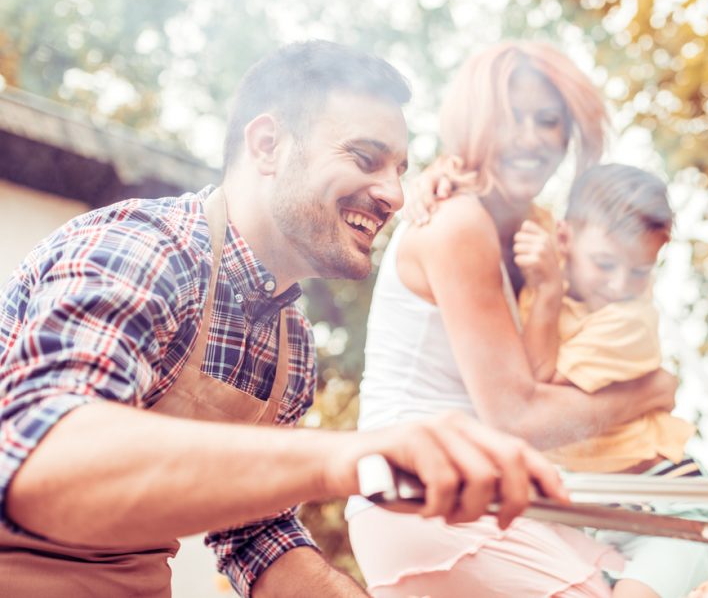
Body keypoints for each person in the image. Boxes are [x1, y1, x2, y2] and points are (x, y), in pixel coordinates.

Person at [0, 40, 568, 598]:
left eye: (400, 169)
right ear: (268, 145)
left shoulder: (290, 343)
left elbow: (256, 535)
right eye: (365, 159)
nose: (395, 194)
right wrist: (350, 453)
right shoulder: (148, 248)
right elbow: (40, 453)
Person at [346, 41, 680, 597]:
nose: (530, 138)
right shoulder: (458, 223)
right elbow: (516, 416)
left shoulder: (537, 228)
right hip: (423, 492)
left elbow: (602, 317)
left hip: (486, 488)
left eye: (548, 121)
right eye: (510, 119)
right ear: (476, 124)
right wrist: (650, 391)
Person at [512, 163, 708, 598]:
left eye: (639, 271)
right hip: (603, 523)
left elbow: (538, 398)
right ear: (564, 237)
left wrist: (549, 295)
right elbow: (487, 191)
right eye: (604, 264)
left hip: (675, 507)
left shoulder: (629, 320)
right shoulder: (549, 247)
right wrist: (435, 181)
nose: (619, 284)